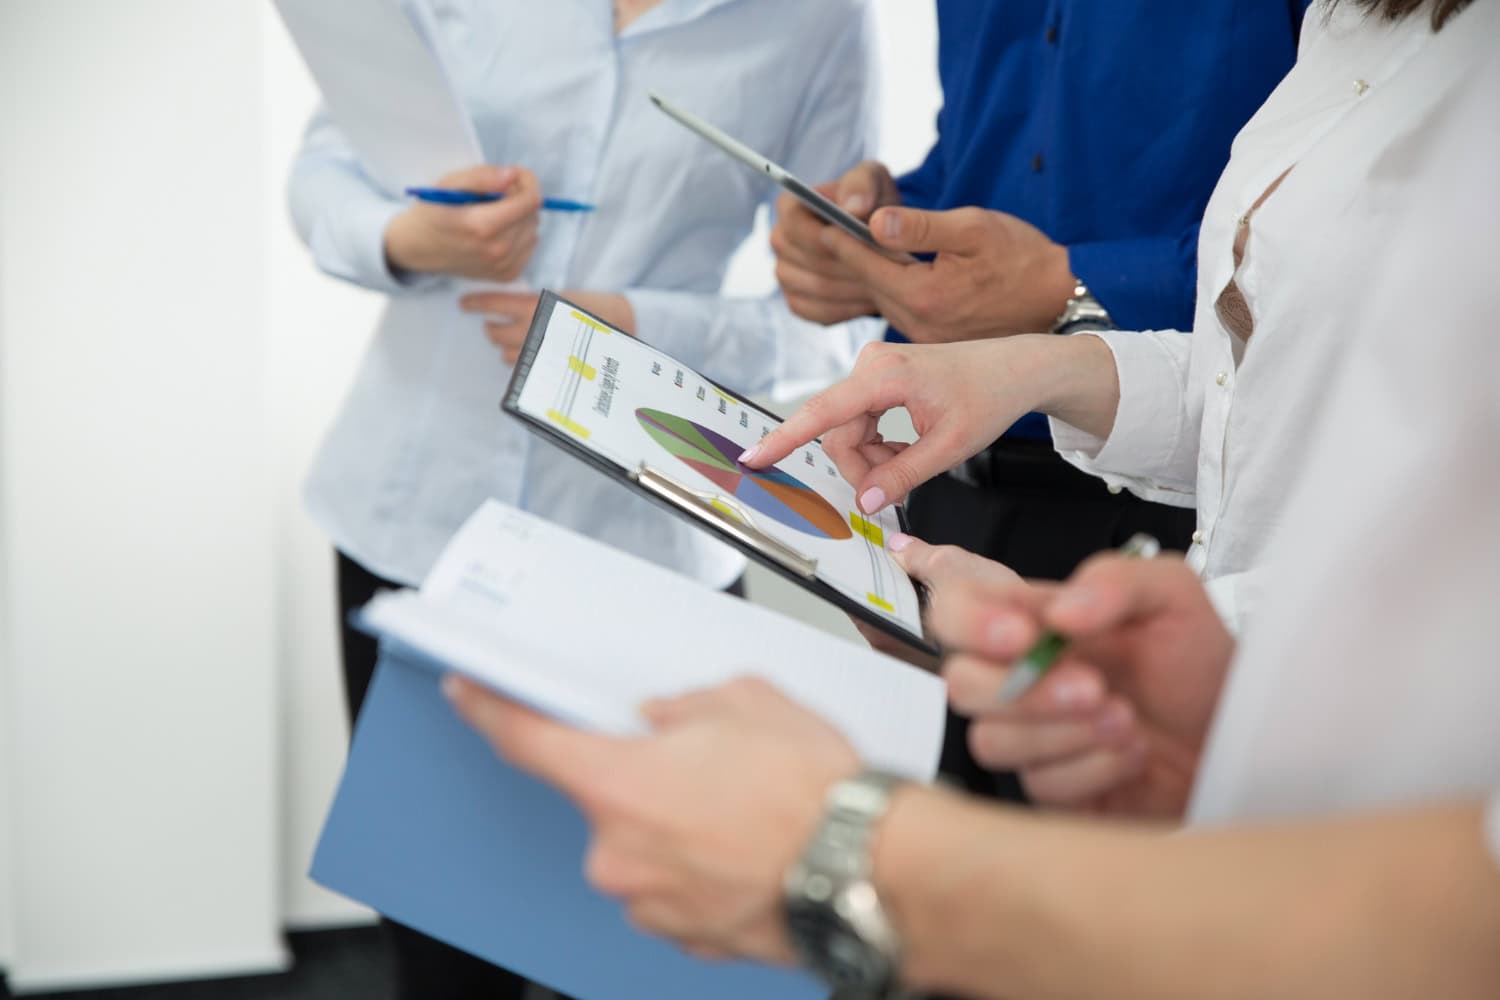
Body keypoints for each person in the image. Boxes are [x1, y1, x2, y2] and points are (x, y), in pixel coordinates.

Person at [447, 12, 1500, 992]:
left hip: (1198, 623)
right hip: (1109, 575)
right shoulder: (1365, 23)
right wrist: (1009, 354)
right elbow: (1269, 356)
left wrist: (848, 850)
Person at [286, 2, 878, 996]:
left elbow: (836, 314)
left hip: (649, 556)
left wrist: (637, 328)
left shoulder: (816, 21)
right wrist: (411, 237)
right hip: (415, 522)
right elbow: (321, 172)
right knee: (438, 943)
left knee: (655, 954)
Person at [768, 1, 1308, 585]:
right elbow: (981, 155)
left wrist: (1068, 286)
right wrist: (878, 225)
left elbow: (1324, 241)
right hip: (946, 486)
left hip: (1180, 506)